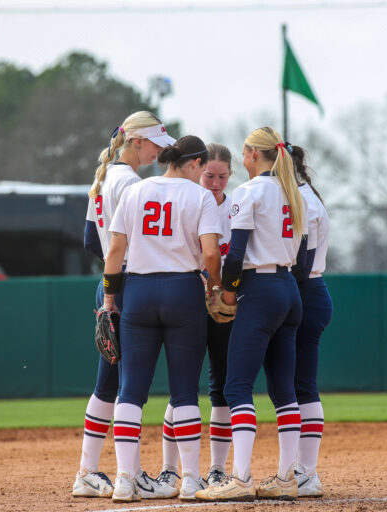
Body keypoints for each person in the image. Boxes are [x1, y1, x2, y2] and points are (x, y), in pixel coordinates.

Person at [101, 135, 223, 502]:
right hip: (183, 291)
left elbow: (116, 251)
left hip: (137, 291)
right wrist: (216, 287)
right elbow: (212, 253)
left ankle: (125, 479)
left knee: (130, 391)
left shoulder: (136, 191)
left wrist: (110, 299)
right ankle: (189, 479)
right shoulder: (199, 195)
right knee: (184, 390)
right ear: (197, 164)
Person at [72, 111, 179, 500]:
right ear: (137, 142)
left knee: (109, 383)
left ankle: (88, 471)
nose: (159, 151)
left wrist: (109, 281)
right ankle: (126, 475)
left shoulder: (103, 179)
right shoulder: (131, 182)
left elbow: (89, 241)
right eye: (155, 144)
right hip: (128, 283)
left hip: (108, 283)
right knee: (130, 385)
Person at [196, 126, 305, 502]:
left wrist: (226, 292)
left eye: (244, 153)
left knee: (236, 387)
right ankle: (288, 478)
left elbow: (237, 256)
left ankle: (240, 478)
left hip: (259, 291)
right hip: (289, 289)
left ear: (251, 154)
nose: (241, 159)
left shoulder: (249, 192)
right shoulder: (292, 192)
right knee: (283, 390)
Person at [159, 143, 234, 490]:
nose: (215, 182)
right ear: (198, 170)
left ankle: (218, 469)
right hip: (188, 300)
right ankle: (169, 470)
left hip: (221, 305)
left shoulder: (236, 207)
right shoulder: (186, 200)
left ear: (230, 175)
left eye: (222, 176)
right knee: (183, 387)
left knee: (221, 386)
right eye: (209, 175)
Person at [290, 144, 332, 497]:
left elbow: (300, 265)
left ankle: (305, 472)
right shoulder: (306, 195)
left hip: (303, 291)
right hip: (312, 292)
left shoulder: (300, 200)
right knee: (300, 384)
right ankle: (304, 471)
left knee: (299, 385)